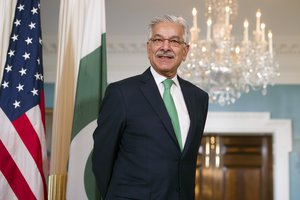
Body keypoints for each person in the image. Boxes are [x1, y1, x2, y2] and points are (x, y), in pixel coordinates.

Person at [92, 14, 209, 200]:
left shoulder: (199, 98)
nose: (165, 47)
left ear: (185, 51)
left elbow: (186, 160)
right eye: (158, 40)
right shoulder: (121, 93)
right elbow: (102, 157)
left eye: (174, 41)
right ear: (149, 48)